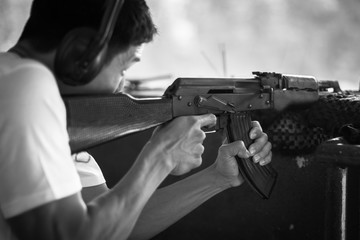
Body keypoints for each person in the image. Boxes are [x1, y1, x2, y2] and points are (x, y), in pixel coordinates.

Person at [0, 0, 273, 239]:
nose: (122, 85)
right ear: (82, 52)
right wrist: (161, 154)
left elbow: (114, 225)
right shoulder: (25, 84)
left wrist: (217, 178)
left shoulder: (22, 92)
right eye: (124, 66)